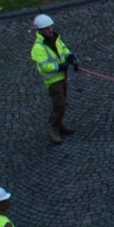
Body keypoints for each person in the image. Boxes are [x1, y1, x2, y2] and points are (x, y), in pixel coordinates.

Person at [31, 13, 77, 146]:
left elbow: (64, 49)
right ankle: (54, 129)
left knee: (63, 103)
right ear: (39, 30)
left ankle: (60, 125)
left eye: (50, 27)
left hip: (62, 76)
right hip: (53, 81)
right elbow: (45, 67)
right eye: (46, 28)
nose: (50, 30)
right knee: (59, 105)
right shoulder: (38, 48)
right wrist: (60, 66)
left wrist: (71, 58)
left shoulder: (55, 38)